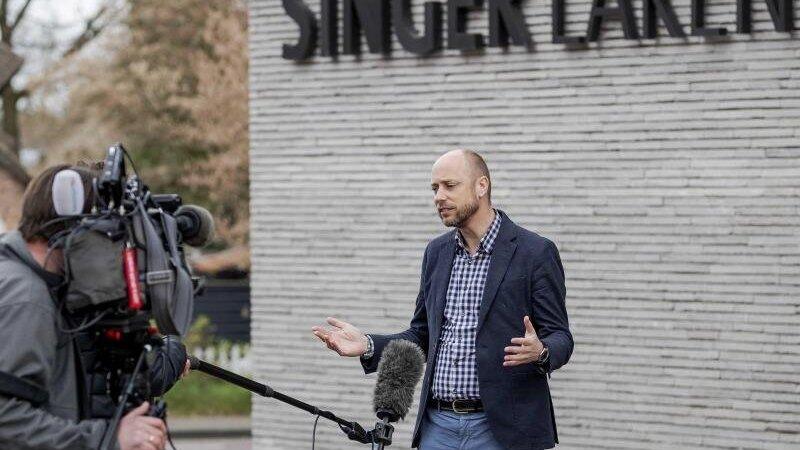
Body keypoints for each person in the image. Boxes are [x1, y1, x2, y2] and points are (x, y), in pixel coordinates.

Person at [313, 149, 573, 450]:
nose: (439, 197)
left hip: (504, 430)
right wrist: (368, 344)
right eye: (435, 188)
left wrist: (541, 351)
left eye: (450, 185)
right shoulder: (437, 253)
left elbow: (561, 336)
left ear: (481, 185)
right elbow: (422, 335)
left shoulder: (535, 252)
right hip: (438, 427)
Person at [0, 164, 188, 450]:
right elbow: (5, 419)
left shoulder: (31, 282)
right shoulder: (27, 298)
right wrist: (108, 438)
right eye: (105, 231)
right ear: (76, 228)